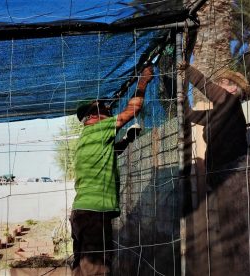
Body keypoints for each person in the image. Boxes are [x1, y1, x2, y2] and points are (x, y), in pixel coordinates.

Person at [181, 63, 250, 275]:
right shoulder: (217, 113)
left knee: (246, 242)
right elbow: (191, 116)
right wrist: (179, 93)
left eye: (224, 83)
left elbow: (206, 86)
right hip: (221, 180)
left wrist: (186, 69)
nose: (219, 85)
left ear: (234, 89)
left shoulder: (231, 103)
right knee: (230, 239)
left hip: (237, 177)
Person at [70, 66, 153, 276]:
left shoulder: (86, 140)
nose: (109, 111)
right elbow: (132, 111)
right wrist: (143, 81)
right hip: (95, 214)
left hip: (82, 213)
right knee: (97, 271)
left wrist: (126, 140)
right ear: (94, 115)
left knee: (81, 270)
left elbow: (108, 155)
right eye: (105, 109)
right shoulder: (98, 128)